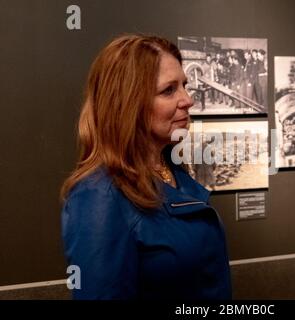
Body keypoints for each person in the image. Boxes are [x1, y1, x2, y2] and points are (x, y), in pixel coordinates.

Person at [60, 34, 232, 300]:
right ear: (128, 103)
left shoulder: (173, 171)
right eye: (169, 90)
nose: (188, 99)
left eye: (184, 85)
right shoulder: (98, 195)